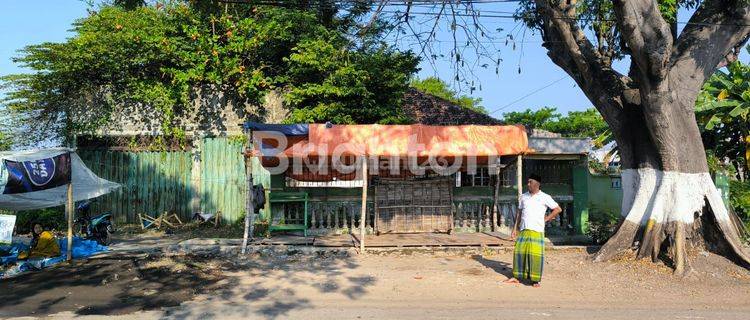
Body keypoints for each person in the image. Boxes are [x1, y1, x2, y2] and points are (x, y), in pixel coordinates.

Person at [503, 173, 562, 287]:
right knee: (519, 253)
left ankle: (535, 280)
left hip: (537, 229)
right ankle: (516, 277)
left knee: (535, 255)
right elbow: (519, 213)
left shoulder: (545, 197)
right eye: (528, 182)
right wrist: (515, 228)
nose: (528, 184)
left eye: (530, 182)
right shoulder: (523, 196)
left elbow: (557, 209)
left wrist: (546, 219)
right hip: (524, 229)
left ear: (537, 184)